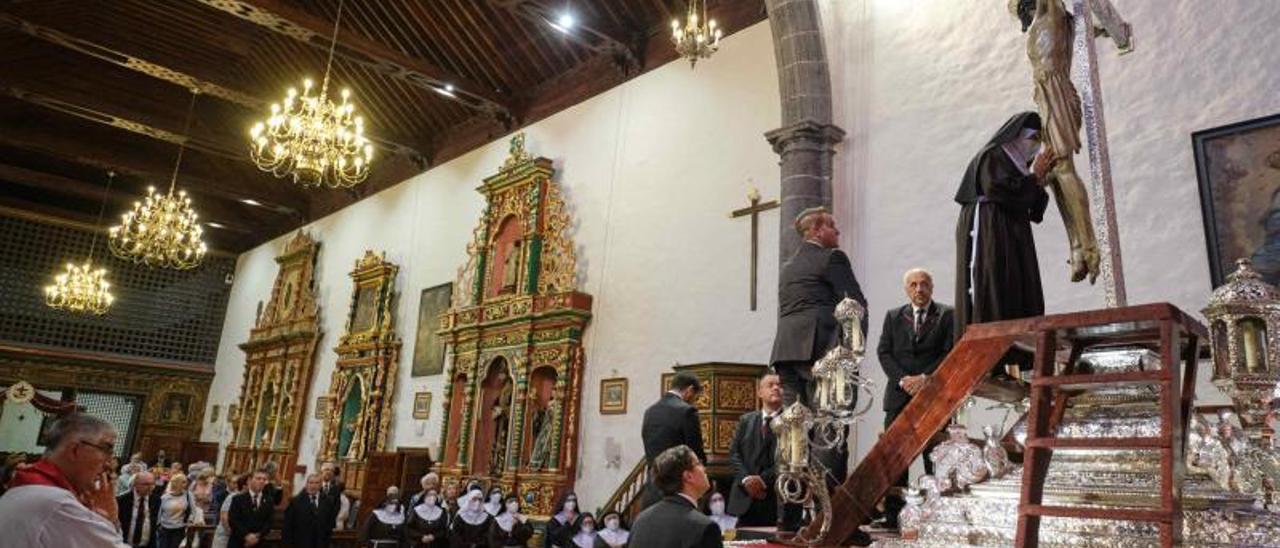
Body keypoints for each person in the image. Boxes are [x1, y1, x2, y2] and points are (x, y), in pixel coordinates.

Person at [954, 111, 1052, 371]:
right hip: (990, 231)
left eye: (1039, 140)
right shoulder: (993, 155)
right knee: (995, 282)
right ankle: (993, 354)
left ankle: (1019, 355)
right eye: (1032, 138)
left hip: (1012, 233)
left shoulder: (1019, 165)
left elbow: (1033, 208)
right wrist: (1034, 178)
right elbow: (997, 189)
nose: (1034, 145)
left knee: (1019, 287)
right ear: (1016, 135)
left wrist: (1037, 180)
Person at [877, 268, 955, 529]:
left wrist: (925, 378)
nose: (919, 289)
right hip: (898, 397)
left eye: (923, 284)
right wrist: (903, 380)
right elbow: (884, 352)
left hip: (933, 396)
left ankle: (937, 515)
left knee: (935, 457)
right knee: (895, 459)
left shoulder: (947, 315)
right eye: (913, 285)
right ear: (906, 289)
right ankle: (893, 516)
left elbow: (949, 352)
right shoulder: (893, 316)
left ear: (931, 287)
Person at [771, 206, 868, 409]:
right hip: (823, 349)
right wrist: (854, 352)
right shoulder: (832, 257)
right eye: (831, 226)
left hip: (786, 352)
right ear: (817, 230)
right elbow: (855, 306)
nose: (837, 231)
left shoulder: (787, 268)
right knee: (830, 426)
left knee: (794, 425)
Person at [0, 413, 130, 547]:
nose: (109, 462)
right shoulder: (57, 503)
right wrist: (111, 520)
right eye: (106, 449)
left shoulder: (23, 489)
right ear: (75, 450)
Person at [629, 445, 722, 548]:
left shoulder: (640, 521)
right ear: (688, 476)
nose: (704, 468)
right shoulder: (704, 527)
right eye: (698, 463)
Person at [639, 371, 706, 509]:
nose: (694, 400)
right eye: (695, 397)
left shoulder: (650, 411)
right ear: (689, 390)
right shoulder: (687, 411)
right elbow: (695, 451)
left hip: (653, 486)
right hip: (678, 488)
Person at [727, 374, 783, 528]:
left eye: (780, 385)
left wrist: (762, 480)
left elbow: (789, 459)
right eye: (770, 385)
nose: (776, 388)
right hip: (745, 500)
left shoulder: (791, 423)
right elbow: (734, 454)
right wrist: (746, 480)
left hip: (775, 499)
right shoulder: (746, 420)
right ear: (759, 392)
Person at [282, 473, 334, 548]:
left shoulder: (327, 501)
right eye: (311, 482)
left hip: (320, 544)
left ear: (320, 485)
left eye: (317, 483)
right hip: (300, 543)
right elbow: (287, 526)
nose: (313, 486)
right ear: (306, 484)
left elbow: (329, 524)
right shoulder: (295, 502)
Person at [228, 469, 274, 548]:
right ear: (250, 480)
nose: (262, 481)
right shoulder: (238, 499)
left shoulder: (269, 501)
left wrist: (257, 536)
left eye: (264, 479)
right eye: (258, 478)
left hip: (258, 543)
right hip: (239, 542)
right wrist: (246, 536)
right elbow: (233, 520)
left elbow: (269, 522)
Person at [118, 471, 160, 547]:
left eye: (152, 484)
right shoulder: (122, 500)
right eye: (146, 484)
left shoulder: (156, 500)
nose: (150, 487)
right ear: (135, 484)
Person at [157, 472, 199, 548]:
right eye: (183, 482)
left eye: (186, 482)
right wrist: (158, 524)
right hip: (164, 527)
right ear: (176, 483)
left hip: (179, 528)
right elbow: (159, 512)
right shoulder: (165, 497)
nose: (186, 484)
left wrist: (190, 520)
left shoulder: (188, 495)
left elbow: (193, 510)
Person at [211, 474, 246, 548]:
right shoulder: (232, 497)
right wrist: (229, 532)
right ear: (244, 486)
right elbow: (224, 516)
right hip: (225, 534)